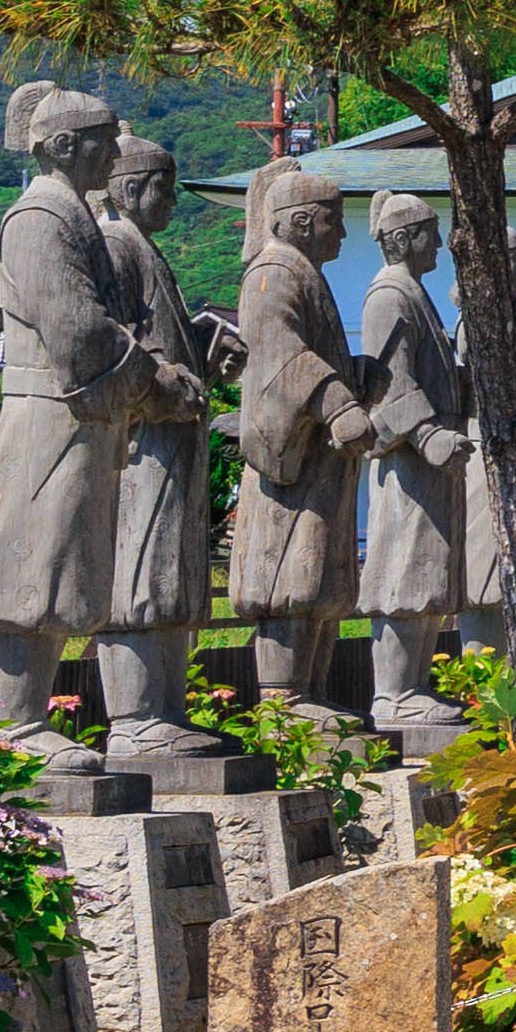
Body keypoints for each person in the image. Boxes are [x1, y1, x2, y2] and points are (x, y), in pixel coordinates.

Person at [0, 86, 192, 770]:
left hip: (81, 413)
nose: (113, 153)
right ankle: (11, 722)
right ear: (64, 146)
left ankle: (25, 718)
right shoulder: (39, 216)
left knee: (63, 565)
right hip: (52, 411)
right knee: (33, 563)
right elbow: (77, 329)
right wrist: (153, 379)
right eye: (101, 140)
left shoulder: (72, 216)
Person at [95, 136, 238, 763]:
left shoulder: (144, 250)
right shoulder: (117, 248)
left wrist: (202, 357)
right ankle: (134, 717)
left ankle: (166, 708)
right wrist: (164, 383)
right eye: (164, 188)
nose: (173, 201)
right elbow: (117, 347)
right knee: (139, 574)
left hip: (175, 436)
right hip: (141, 441)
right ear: (129, 188)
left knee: (172, 574)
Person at [226, 161, 381, 732]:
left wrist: (354, 372)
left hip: (323, 456)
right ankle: (282, 698)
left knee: (319, 574)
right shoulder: (274, 272)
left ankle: (310, 689)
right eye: (331, 220)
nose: (341, 233)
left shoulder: (304, 273)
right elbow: (277, 355)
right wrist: (337, 401)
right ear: (296, 221)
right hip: (295, 453)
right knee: (288, 575)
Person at [351, 193, 477, 733]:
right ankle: (394, 692)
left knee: (428, 574)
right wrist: (427, 433)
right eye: (429, 232)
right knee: (404, 573)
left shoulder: (416, 294)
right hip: (409, 461)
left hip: (432, 459)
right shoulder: (388, 296)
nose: (440, 244)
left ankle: (414, 686)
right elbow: (391, 381)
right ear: (400, 239)